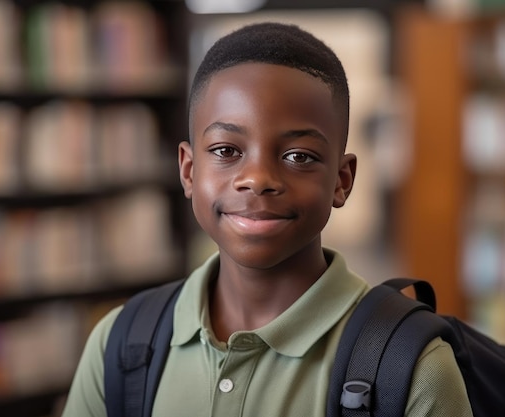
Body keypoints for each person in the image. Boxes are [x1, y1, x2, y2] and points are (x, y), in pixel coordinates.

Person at [61, 22, 473, 417]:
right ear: (188, 171)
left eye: (299, 156)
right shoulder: (119, 345)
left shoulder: (414, 369)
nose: (257, 180)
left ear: (341, 181)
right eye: (226, 150)